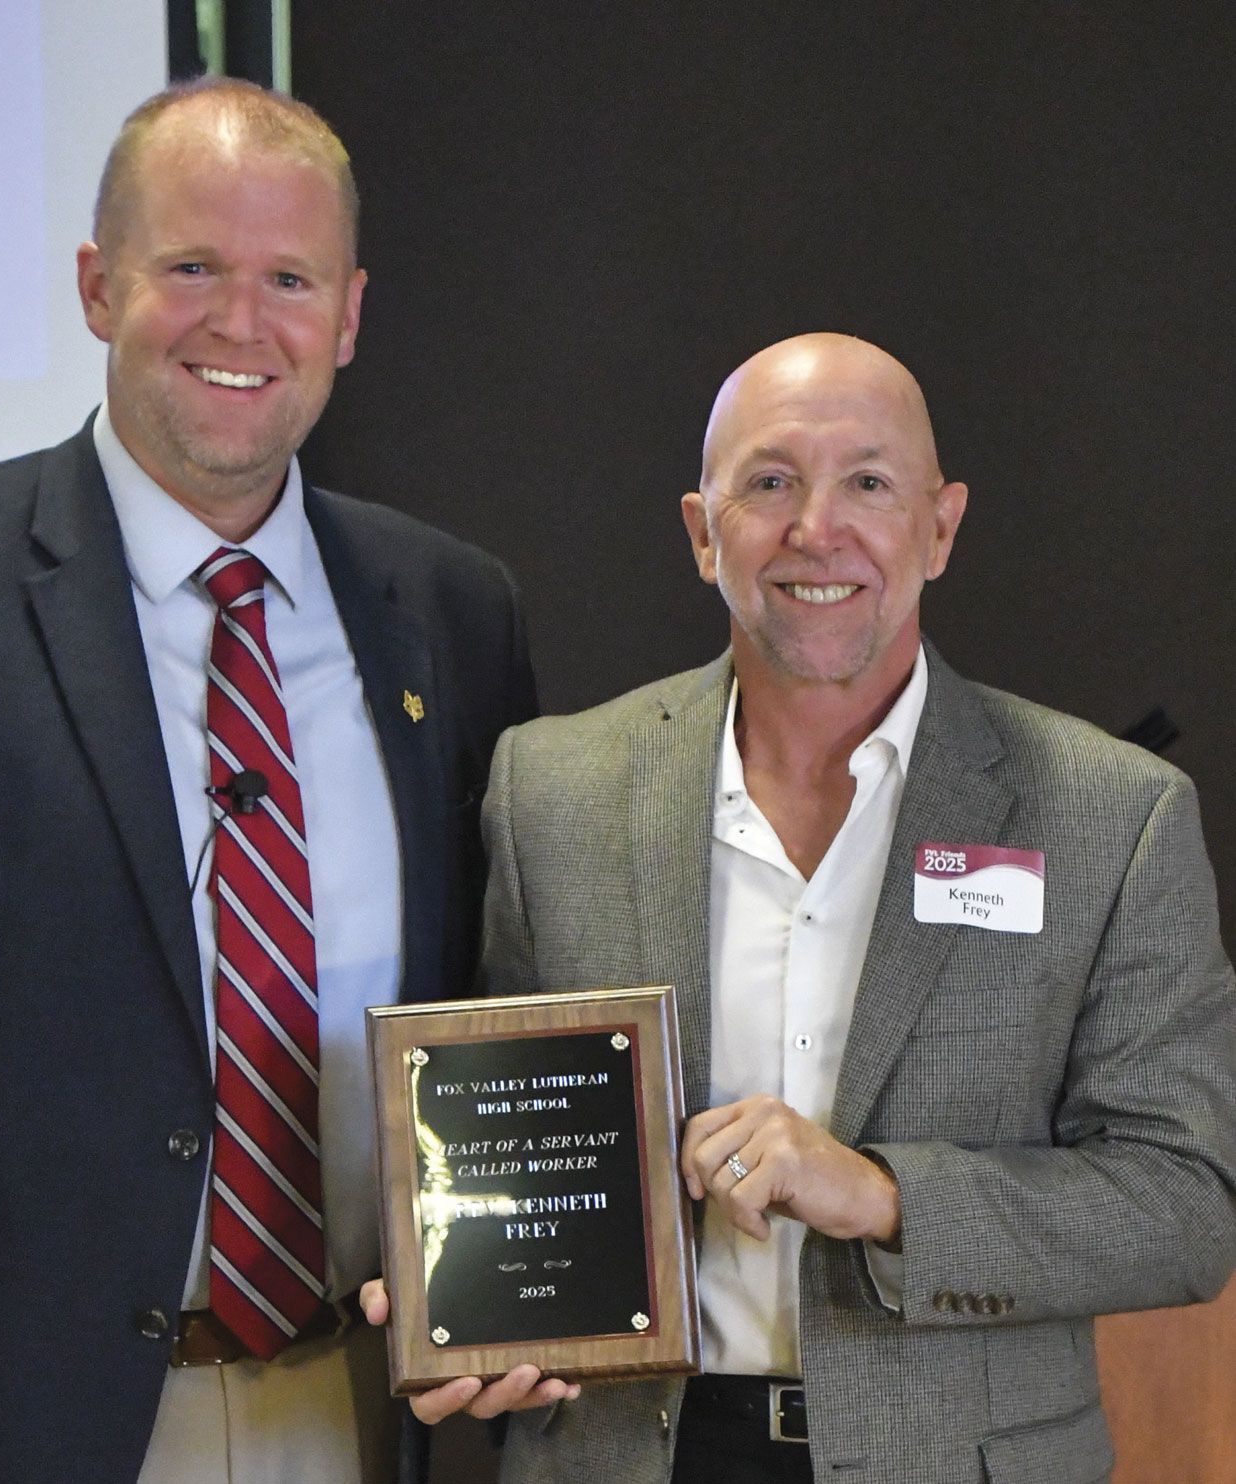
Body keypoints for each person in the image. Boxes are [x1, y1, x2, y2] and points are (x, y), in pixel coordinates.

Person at [0, 78, 536, 1484]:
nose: (242, 322)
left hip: (362, 1414)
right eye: (192, 269)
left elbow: (500, 1009)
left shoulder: (451, 611)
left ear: (347, 315)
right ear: (100, 288)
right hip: (8, 1422)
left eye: (289, 278)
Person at [363, 333, 1236, 1482]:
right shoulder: (553, 789)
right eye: (770, 481)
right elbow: (505, 1137)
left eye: (868, 482)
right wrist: (462, 1293)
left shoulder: (1110, 815)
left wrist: (879, 1191)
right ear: (700, 530)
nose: (816, 529)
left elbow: (1182, 1207)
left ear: (941, 525)